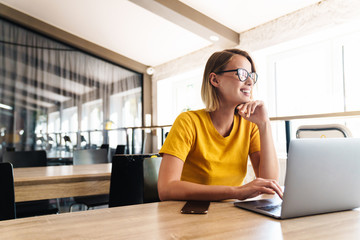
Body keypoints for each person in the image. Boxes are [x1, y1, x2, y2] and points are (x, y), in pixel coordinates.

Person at [158, 49, 283, 201]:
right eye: (242, 74)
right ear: (215, 80)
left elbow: (269, 184)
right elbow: (166, 189)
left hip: (231, 214)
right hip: (190, 213)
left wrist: (264, 124)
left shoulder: (249, 125)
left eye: (251, 76)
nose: (250, 81)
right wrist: (236, 192)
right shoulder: (188, 122)